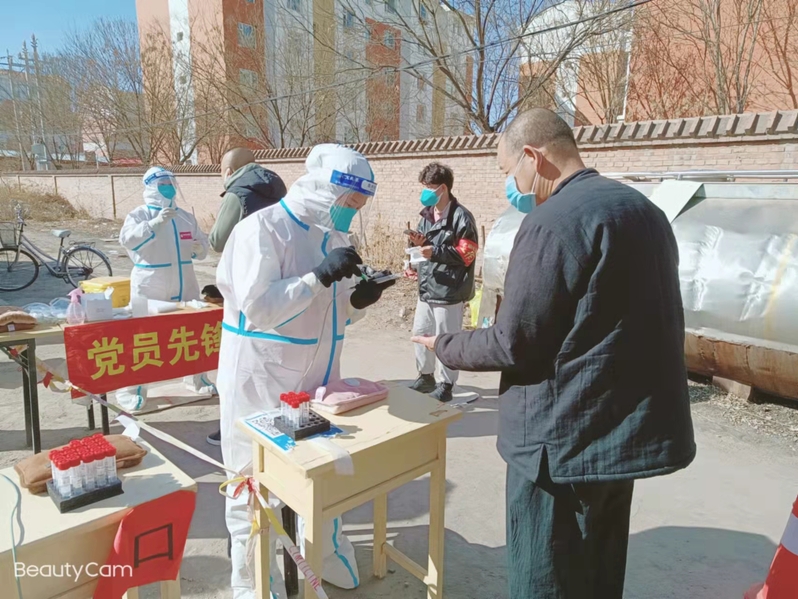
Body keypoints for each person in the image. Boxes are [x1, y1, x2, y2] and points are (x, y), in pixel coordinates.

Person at [412, 108, 696, 599]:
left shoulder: (551, 222)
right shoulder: (642, 210)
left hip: (560, 445)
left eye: (509, 172)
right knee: (598, 571)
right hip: (619, 436)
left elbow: (514, 340)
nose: (512, 186)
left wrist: (445, 345)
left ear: (532, 156)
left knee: (546, 575)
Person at [216, 144, 395, 599]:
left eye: (359, 207)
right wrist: (318, 277)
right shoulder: (262, 229)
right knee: (252, 481)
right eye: (349, 202)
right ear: (323, 189)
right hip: (259, 376)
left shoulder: (332, 237)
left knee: (322, 470)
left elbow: (335, 309)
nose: (352, 213)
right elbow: (260, 308)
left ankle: (325, 552)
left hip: (317, 380)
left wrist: (359, 300)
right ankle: (254, 580)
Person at [206, 147, 287, 447]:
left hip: (243, 282)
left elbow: (218, 240)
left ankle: (234, 431)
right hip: (276, 281)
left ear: (228, 171)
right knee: (269, 359)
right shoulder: (279, 189)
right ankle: (273, 423)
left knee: (237, 365)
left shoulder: (237, 193)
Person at [117, 167, 214, 411]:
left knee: (192, 333)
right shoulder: (139, 214)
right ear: (150, 186)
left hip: (185, 282)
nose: (168, 188)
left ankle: (197, 380)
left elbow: (202, 244)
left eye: (171, 183)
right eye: (162, 184)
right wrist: (155, 224)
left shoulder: (184, 217)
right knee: (143, 337)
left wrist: (198, 248)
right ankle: (132, 390)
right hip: (151, 284)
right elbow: (128, 240)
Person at [407, 162, 478, 403]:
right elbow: (424, 248)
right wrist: (414, 254)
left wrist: (434, 252)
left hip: (449, 290)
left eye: (430, 187)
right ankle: (425, 376)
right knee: (420, 333)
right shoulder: (426, 215)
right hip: (427, 287)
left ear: (443, 188)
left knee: (446, 338)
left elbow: (467, 254)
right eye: (424, 186)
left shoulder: (461, 217)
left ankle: (446, 384)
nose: (425, 192)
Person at [208, 147, 287, 253]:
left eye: (221, 173)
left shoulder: (235, 194)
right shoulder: (278, 187)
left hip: (248, 259)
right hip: (279, 258)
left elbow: (217, 243)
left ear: (228, 173)